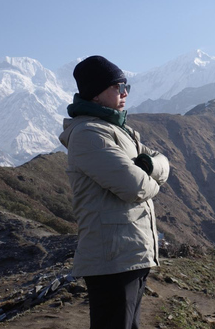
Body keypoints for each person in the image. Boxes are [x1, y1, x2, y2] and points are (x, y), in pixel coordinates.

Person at [59, 55, 170, 329]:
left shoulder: (120, 130)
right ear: (96, 94)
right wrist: (152, 178)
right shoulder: (89, 134)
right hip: (111, 258)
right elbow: (137, 187)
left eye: (126, 86)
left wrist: (147, 166)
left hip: (130, 254)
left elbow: (163, 161)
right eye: (117, 87)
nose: (124, 93)